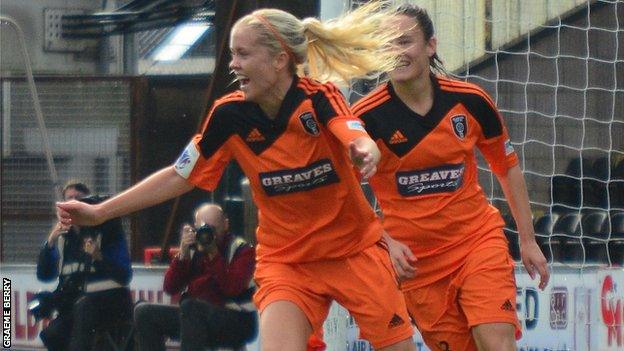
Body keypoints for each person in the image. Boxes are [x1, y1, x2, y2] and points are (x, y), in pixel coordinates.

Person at [56, 2, 417, 350]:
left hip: (354, 252)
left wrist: (364, 146)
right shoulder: (228, 116)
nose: (233, 64)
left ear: (279, 60)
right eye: (232, 54)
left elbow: (351, 130)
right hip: (287, 262)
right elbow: (178, 176)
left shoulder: (318, 98)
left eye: (242, 54)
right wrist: (101, 212)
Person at [352, 4, 550, 351]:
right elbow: (342, 196)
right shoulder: (365, 118)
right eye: (386, 44)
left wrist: (528, 239)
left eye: (405, 41)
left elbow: (507, 166)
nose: (396, 52)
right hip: (418, 265)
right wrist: (383, 239)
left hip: (477, 242)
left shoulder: (471, 101)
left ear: (430, 45)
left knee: (495, 342)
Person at [134, 203, 256, 350]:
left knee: (191, 307)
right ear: (196, 228)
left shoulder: (242, 250)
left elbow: (231, 288)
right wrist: (182, 255)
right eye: (203, 229)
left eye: (213, 229)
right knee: (144, 312)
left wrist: (213, 254)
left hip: (236, 319)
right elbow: (170, 288)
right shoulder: (193, 250)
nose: (208, 235)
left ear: (225, 224)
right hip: (194, 317)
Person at [68, 195, 133, 351]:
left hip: (113, 302)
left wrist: (98, 257)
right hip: (84, 300)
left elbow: (124, 276)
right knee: (57, 329)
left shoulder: (113, 238)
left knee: (84, 309)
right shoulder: (74, 239)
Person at [35, 182, 90, 351]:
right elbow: (45, 275)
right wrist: (50, 242)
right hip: (68, 306)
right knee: (45, 318)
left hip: (90, 305)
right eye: (69, 199)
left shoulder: (98, 232)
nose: (73, 203)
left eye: (78, 198)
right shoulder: (63, 238)